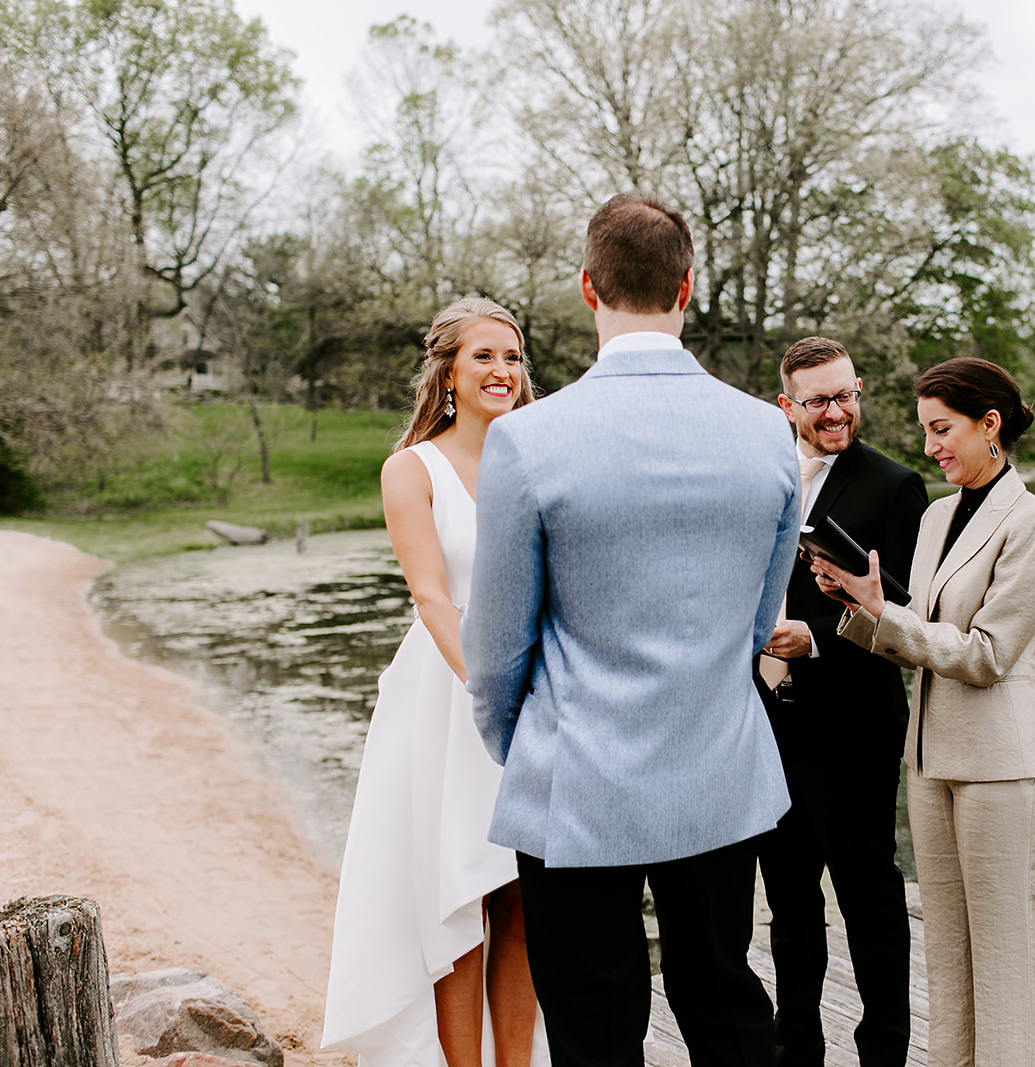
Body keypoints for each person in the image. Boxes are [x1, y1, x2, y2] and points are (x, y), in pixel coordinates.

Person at [462, 193, 801, 1067]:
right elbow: (761, 622)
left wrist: (524, 743)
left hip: (578, 781)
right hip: (719, 772)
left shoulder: (529, 440)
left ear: (587, 287)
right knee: (727, 1004)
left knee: (595, 1028)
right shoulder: (768, 432)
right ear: (687, 288)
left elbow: (497, 647)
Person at [811, 357, 1035, 1067]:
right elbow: (920, 637)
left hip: (1004, 768)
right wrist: (857, 607)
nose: (930, 447)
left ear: (991, 425)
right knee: (948, 955)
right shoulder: (933, 516)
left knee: (1006, 956)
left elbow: (985, 655)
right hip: (930, 762)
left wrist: (885, 611)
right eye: (925, 431)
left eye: (943, 429)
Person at [324, 297, 547, 1067]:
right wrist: (494, 691)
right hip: (450, 694)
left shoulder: (539, 460)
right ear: (448, 371)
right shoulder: (410, 468)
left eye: (513, 356)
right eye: (484, 355)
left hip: (539, 692)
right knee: (462, 894)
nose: (503, 370)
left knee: (521, 896)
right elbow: (431, 596)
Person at [755, 337, 926, 1067]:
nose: (837, 412)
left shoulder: (895, 485)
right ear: (788, 405)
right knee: (790, 907)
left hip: (854, 719)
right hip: (764, 724)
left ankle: (883, 1050)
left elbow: (907, 605)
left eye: (847, 394)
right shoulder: (758, 476)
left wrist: (817, 638)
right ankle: (798, 1050)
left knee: (868, 898)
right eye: (819, 400)